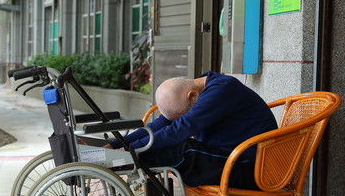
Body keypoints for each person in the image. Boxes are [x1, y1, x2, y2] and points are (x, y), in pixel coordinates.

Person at [109, 71, 278, 190]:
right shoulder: (205, 88)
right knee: (166, 147)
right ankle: (115, 159)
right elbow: (160, 125)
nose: (180, 118)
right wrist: (115, 144)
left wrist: (129, 151)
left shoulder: (222, 90)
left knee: (182, 150)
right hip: (229, 160)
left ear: (193, 96)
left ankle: (118, 161)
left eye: (181, 115)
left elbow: (179, 129)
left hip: (252, 169)